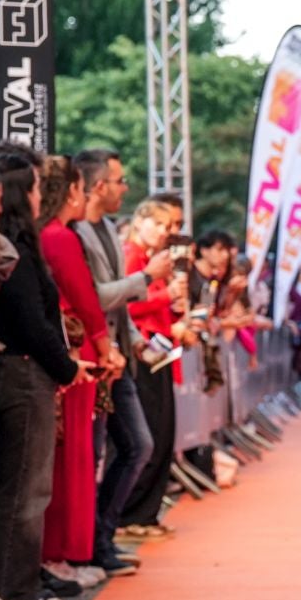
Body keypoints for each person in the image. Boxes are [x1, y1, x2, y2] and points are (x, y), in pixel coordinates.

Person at [0, 153, 84, 600]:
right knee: (22, 486)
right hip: (19, 372)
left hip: (15, 370)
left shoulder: (10, 247)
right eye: (35, 188)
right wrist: (66, 366)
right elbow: (32, 322)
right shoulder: (14, 251)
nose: (41, 197)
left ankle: (16, 579)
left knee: (13, 484)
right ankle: (14, 587)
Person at [72, 148, 165, 574]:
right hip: (91, 358)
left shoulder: (108, 228)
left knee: (137, 445)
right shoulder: (77, 232)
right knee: (98, 454)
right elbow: (95, 297)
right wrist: (147, 278)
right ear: (97, 185)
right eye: (120, 180)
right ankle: (91, 543)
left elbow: (117, 306)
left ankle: (101, 537)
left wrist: (134, 343)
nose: (125, 188)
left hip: (117, 356)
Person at [38, 156, 115, 587]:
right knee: (72, 457)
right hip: (75, 349)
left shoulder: (47, 236)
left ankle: (61, 551)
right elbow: (86, 300)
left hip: (69, 346)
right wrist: (106, 348)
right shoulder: (59, 237)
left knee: (71, 455)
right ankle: (60, 552)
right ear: (71, 191)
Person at [117, 195, 186, 538]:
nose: (166, 232)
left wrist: (175, 307)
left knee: (159, 437)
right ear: (140, 220)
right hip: (143, 354)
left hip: (158, 354)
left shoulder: (151, 260)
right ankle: (131, 514)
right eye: (160, 224)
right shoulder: (132, 256)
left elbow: (157, 306)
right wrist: (165, 297)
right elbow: (126, 306)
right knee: (147, 438)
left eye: (171, 226)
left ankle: (143, 514)